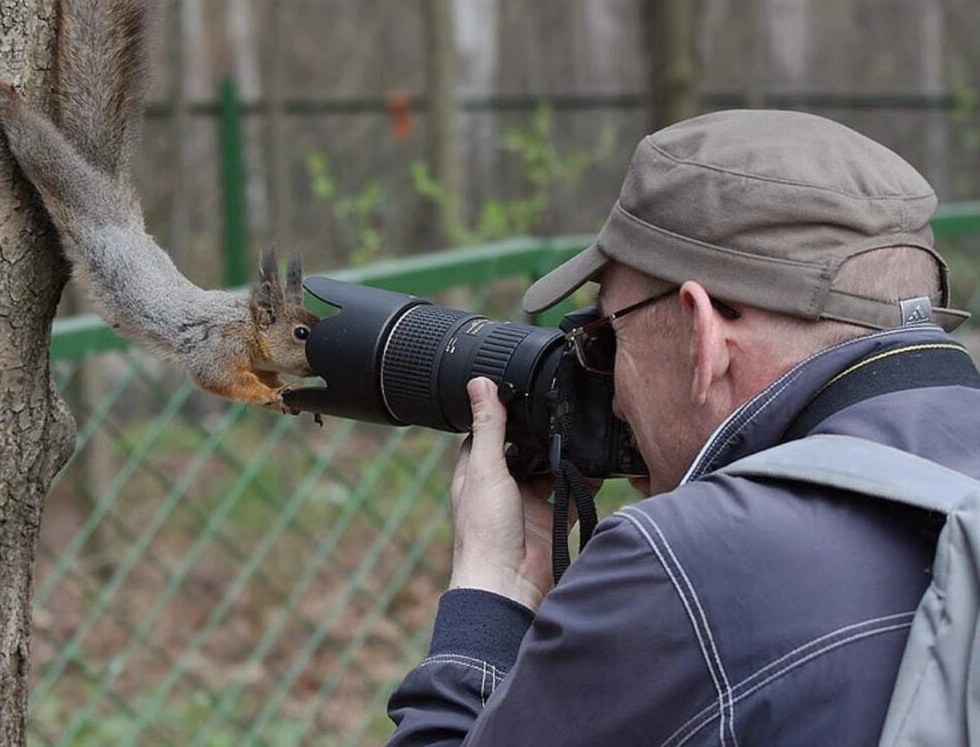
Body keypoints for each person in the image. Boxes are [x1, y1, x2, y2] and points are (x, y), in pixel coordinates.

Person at [386, 109, 980, 746]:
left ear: (704, 334)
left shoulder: (687, 565)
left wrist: (490, 593)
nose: (610, 394)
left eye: (608, 336)